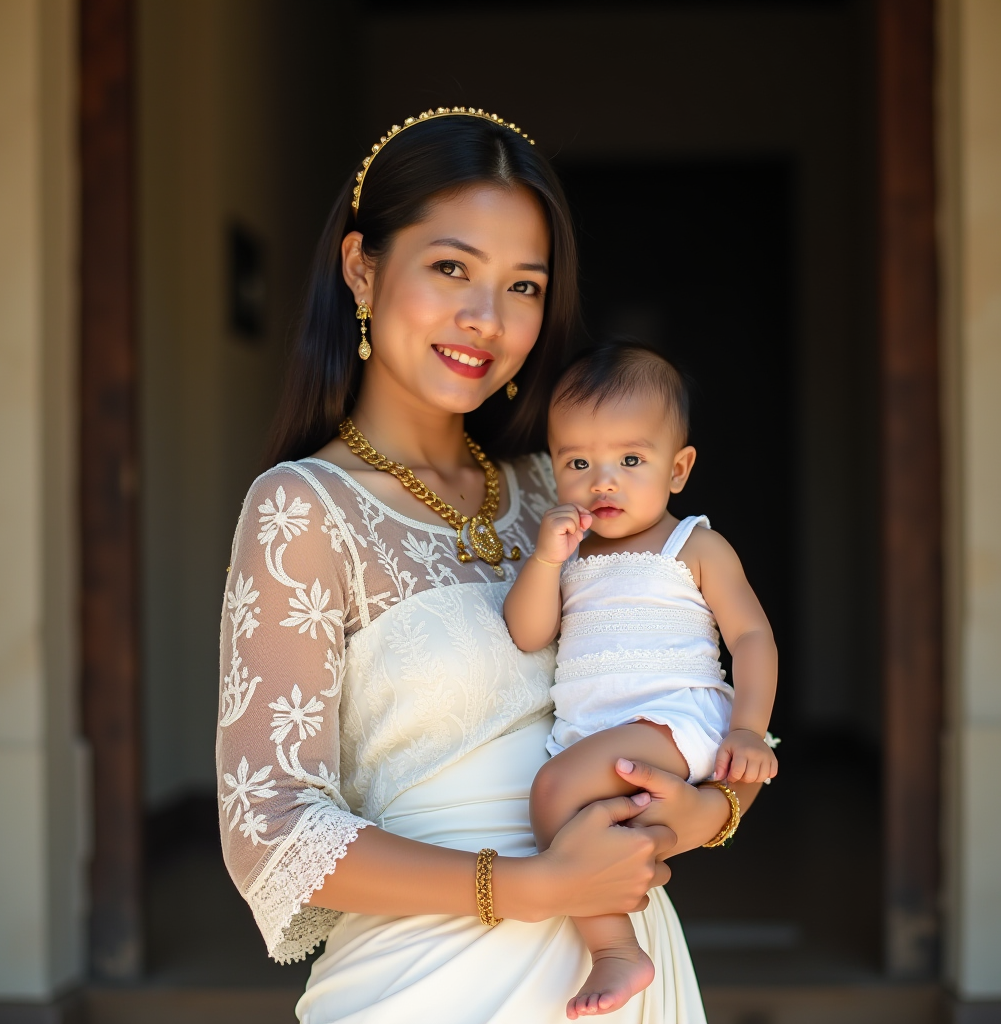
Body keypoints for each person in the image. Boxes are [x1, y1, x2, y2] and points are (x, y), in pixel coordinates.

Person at [217, 108, 763, 1024]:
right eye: (450, 267)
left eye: (524, 286)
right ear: (362, 268)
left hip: (628, 968)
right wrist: (528, 887)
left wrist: (712, 815)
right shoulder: (303, 508)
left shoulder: (569, 487)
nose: (486, 318)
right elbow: (270, 830)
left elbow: (692, 685)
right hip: (424, 985)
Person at [503, 343, 779, 1018]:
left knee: (553, 793)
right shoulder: (569, 557)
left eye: (630, 460)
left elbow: (751, 637)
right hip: (597, 732)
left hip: (674, 717)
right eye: (578, 463)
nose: (604, 481)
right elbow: (527, 632)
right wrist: (544, 560)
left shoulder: (694, 546)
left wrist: (747, 726)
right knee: (586, 819)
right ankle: (621, 933)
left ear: (678, 468)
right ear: (553, 469)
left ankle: (617, 950)